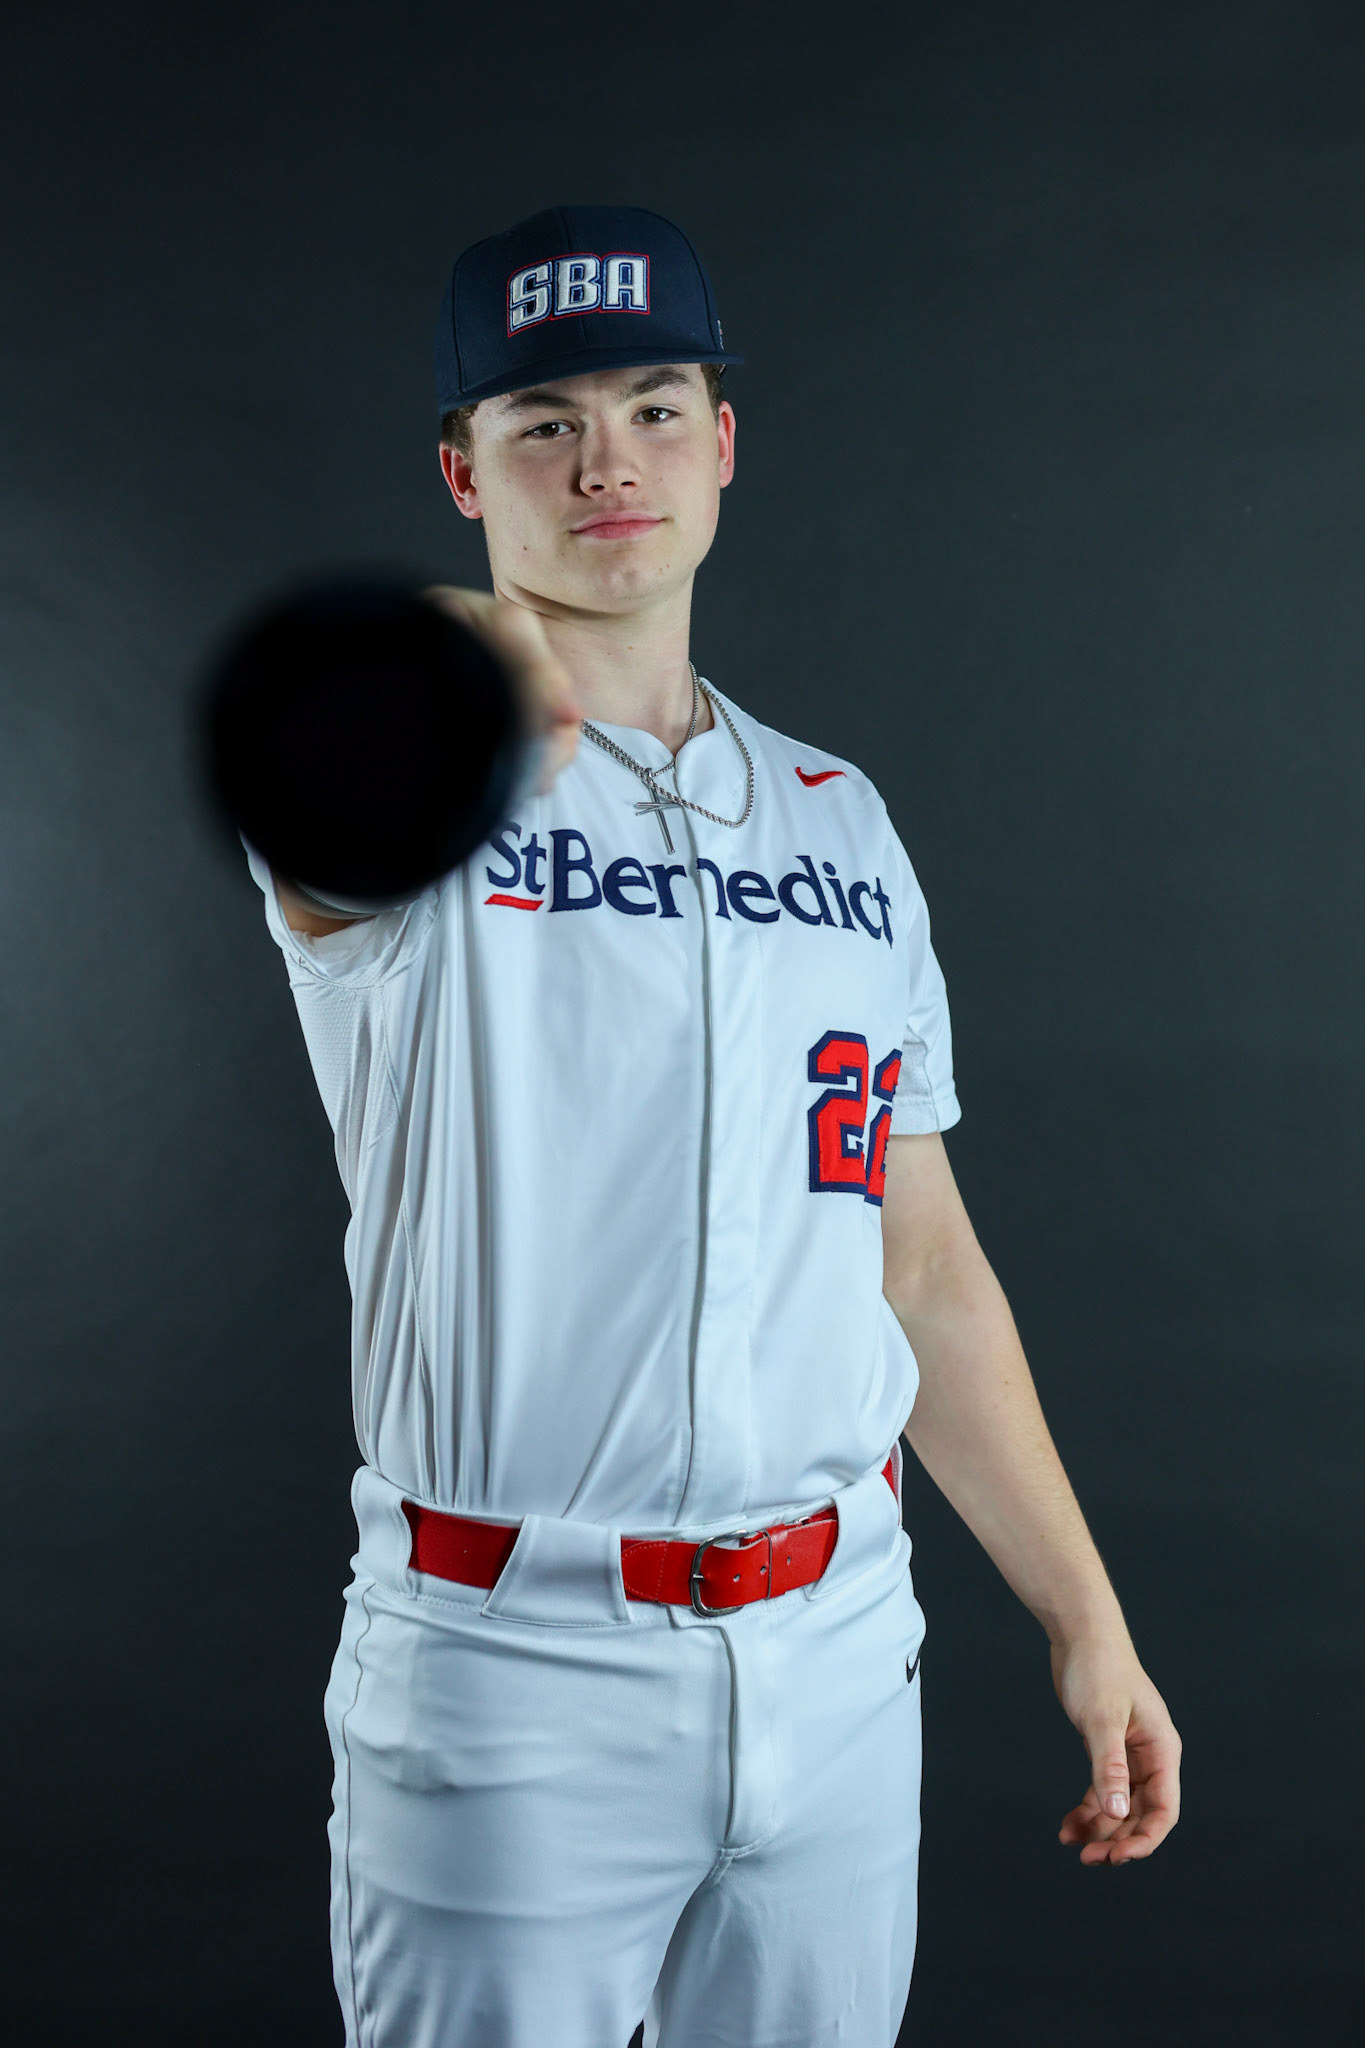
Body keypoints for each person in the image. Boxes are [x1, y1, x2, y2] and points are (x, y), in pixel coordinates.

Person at [242, 204, 1181, 2047]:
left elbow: (921, 1266)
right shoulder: (407, 776)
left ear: (722, 445)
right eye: (544, 421)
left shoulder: (842, 821)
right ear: (463, 470)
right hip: (509, 1666)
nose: (610, 461)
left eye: (657, 406)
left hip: (834, 1645)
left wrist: (1085, 1618)